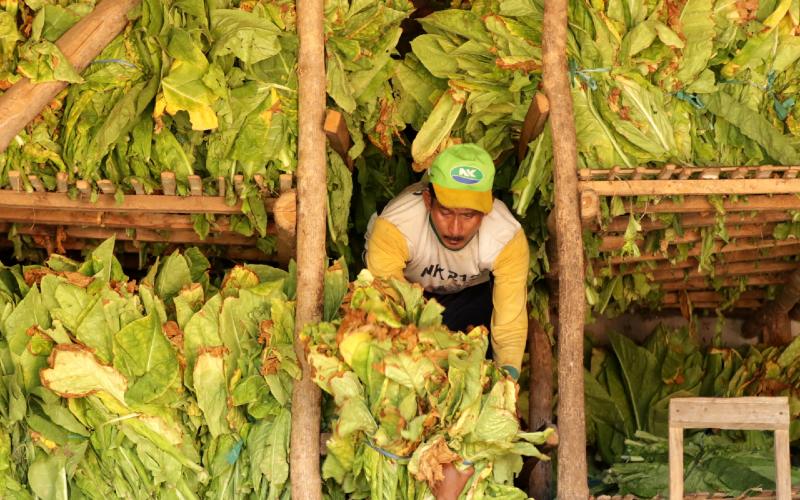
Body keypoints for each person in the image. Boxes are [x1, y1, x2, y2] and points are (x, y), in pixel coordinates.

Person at [364, 143, 529, 497]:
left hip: (470, 303)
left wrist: (507, 387)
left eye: (469, 216)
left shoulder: (506, 237)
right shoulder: (396, 227)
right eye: (445, 212)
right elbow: (388, 315)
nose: (456, 227)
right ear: (427, 201)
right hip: (409, 305)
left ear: (486, 211)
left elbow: (510, 321)